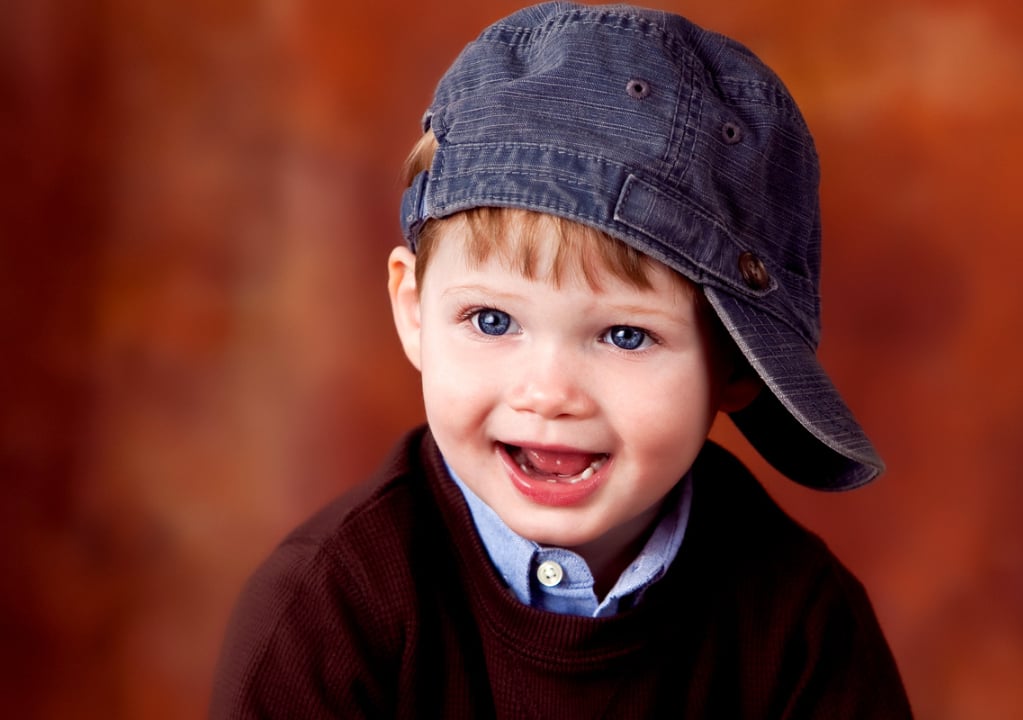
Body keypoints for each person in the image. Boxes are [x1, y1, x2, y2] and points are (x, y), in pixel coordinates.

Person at [210, 3, 912, 717]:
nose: (547, 394)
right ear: (415, 309)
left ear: (737, 364)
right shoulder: (325, 613)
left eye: (625, 336)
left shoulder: (800, 626)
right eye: (492, 320)